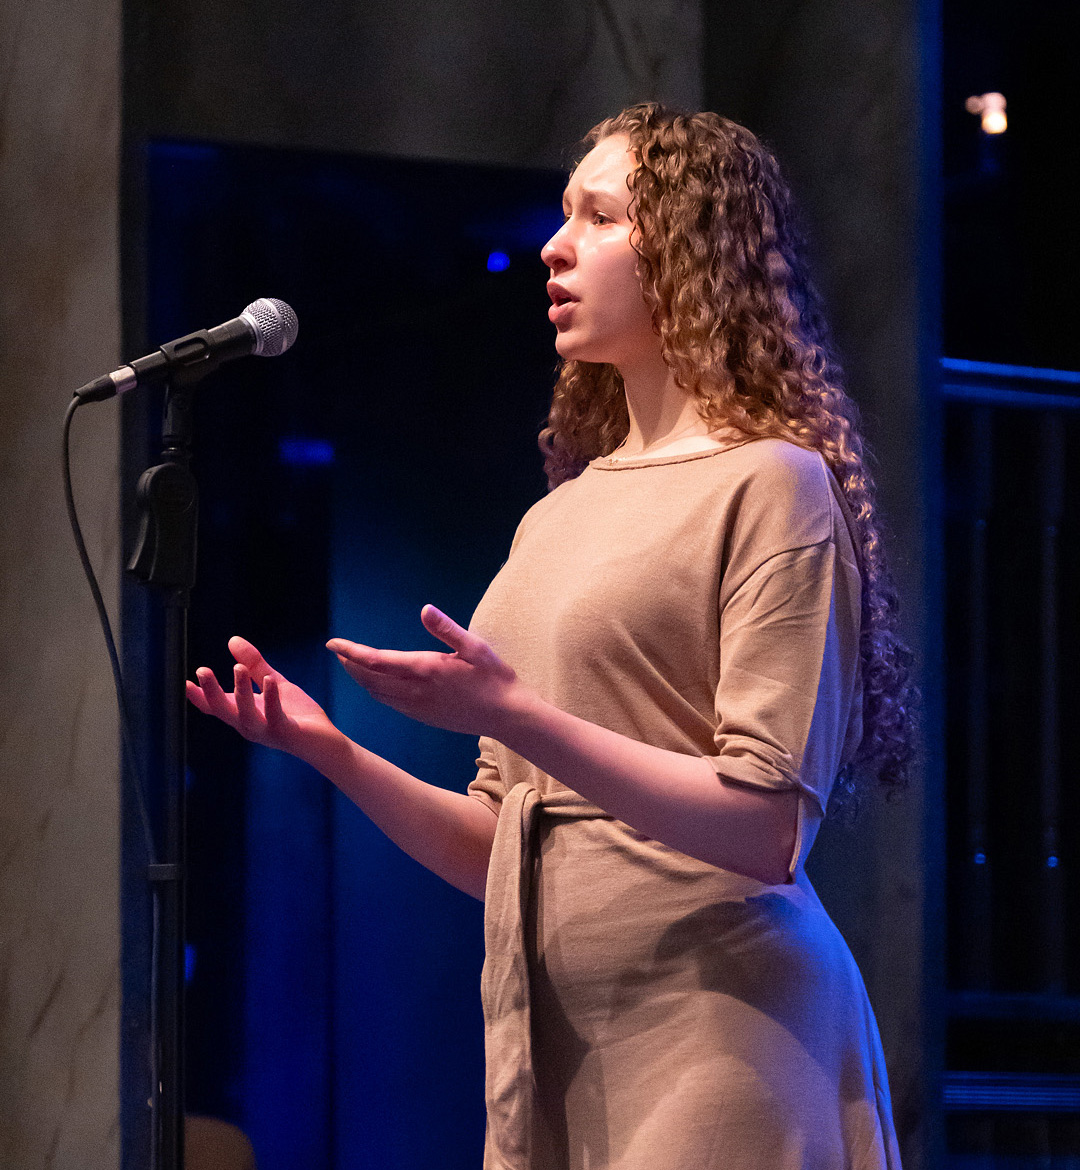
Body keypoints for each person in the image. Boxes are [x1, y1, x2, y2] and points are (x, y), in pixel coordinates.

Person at [188, 102, 915, 1170]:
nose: (555, 244)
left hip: (726, 1032)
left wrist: (514, 710)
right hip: (559, 1043)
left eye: (600, 216)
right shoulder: (556, 515)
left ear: (688, 255)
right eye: (562, 214)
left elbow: (767, 829)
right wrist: (328, 751)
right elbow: (506, 844)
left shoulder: (774, 486)